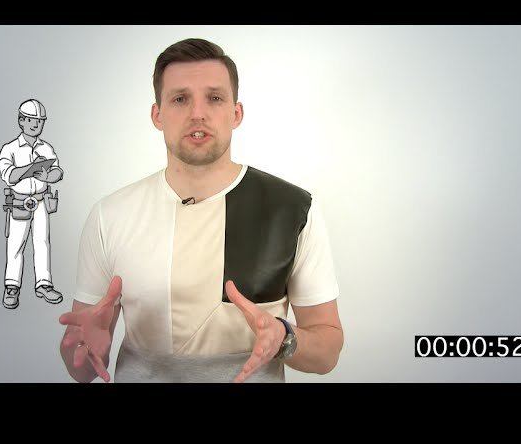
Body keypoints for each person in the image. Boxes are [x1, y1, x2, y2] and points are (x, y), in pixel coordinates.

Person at [58, 38, 343, 383]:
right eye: (180, 99)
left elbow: (327, 352)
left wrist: (285, 338)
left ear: (236, 113)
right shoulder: (110, 215)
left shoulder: (292, 209)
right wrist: (86, 350)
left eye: (215, 98)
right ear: (157, 115)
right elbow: (81, 367)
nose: (198, 113)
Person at [0, 99, 64, 309]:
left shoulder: (46, 148)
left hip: (41, 200)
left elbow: (58, 171)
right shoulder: (10, 149)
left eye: (40, 121)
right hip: (20, 201)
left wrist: (47, 176)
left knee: (42, 242)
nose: (36, 124)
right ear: (21, 121)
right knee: (15, 244)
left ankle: (44, 284)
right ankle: (12, 286)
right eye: (31, 120)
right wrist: (30, 168)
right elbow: (9, 175)